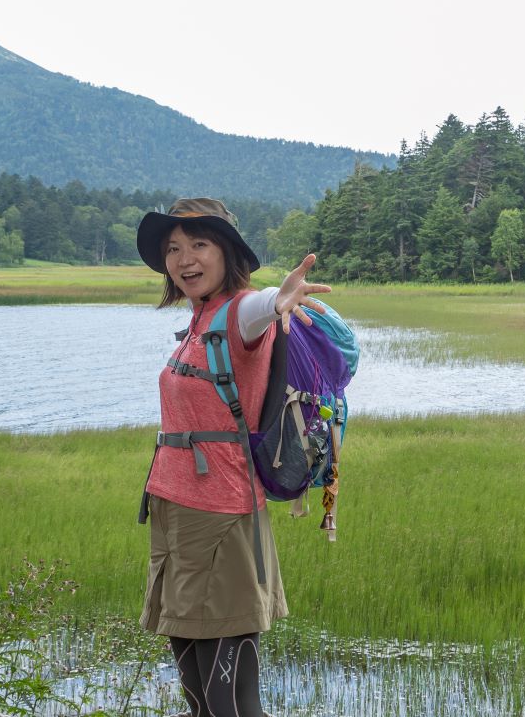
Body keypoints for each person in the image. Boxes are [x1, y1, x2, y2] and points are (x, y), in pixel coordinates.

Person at [134, 198, 331, 717]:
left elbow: (260, 305)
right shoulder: (198, 323)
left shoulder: (238, 313)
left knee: (230, 703)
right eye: (173, 248)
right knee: (198, 694)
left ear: (227, 253)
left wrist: (279, 297)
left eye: (199, 244)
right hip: (177, 513)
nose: (184, 258)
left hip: (221, 518)